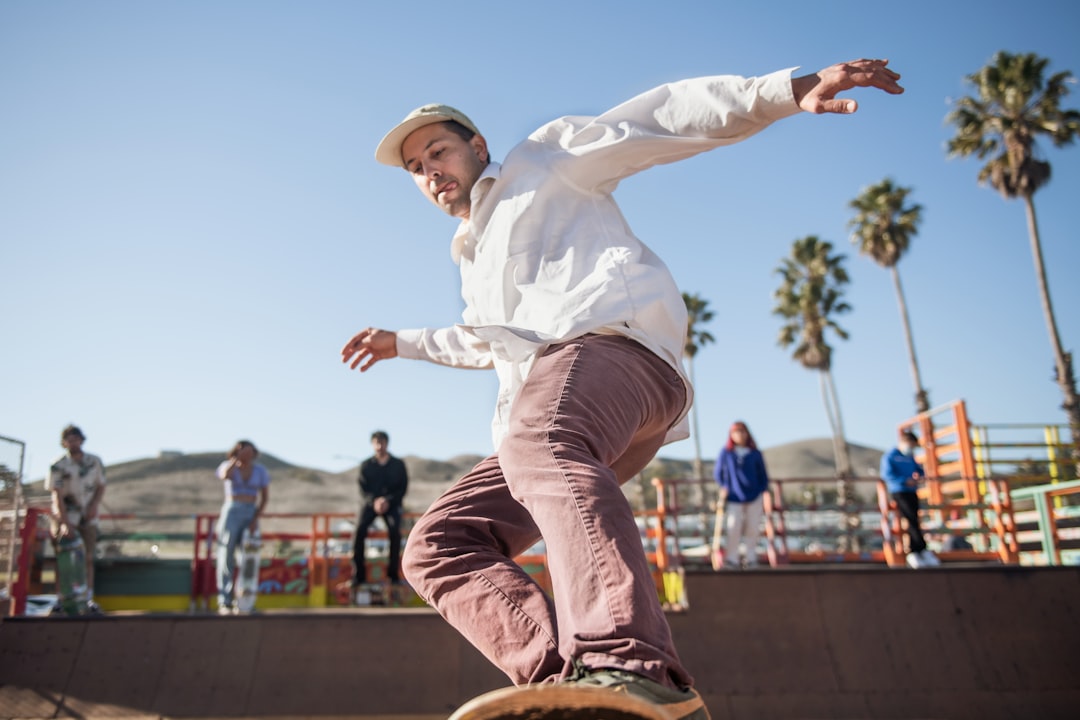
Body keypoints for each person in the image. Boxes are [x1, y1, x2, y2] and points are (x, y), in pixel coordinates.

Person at [342, 58, 904, 718]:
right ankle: (574, 691)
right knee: (438, 545)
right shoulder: (470, 253)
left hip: (616, 355)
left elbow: (652, 119)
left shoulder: (540, 162)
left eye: (438, 151)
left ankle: (628, 664)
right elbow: (484, 340)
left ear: (478, 147)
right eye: (417, 169)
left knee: (541, 438)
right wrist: (400, 342)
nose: (431, 171)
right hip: (568, 416)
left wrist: (779, 93)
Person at [45, 424, 106, 612]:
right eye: (69, 440)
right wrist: (64, 522)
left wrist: (94, 507)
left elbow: (101, 486)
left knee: (88, 557)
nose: (74, 443)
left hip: (87, 516)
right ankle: (61, 599)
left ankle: (88, 598)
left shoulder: (93, 462)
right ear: (64, 443)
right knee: (63, 558)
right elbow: (57, 494)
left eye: (76, 439)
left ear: (81, 440)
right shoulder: (59, 465)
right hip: (66, 515)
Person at [350, 430, 409, 600]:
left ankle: (393, 575)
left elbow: (402, 488)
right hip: (370, 505)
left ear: (387, 444)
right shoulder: (366, 465)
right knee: (359, 531)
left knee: (395, 532)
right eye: (376, 442)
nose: (379, 446)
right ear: (372, 444)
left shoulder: (398, 464)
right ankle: (358, 575)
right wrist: (374, 501)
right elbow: (363, 489)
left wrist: (387, 501)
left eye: (382, 442)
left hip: (392, 505)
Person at [214, 439, 270, 614]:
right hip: (232, 510)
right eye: (244, 451)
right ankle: (225, 600)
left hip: (250, 512)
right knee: (226, 554)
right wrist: (235, 459)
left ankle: (245, 601)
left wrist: (255, 519)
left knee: (249, 557)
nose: (248, 455)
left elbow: (265, 497)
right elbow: (224, 475)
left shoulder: (260, 471)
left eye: (250, 452)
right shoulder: (229, 466)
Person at [714, 421, 770, 569]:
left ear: (747, 434)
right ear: (731, 435)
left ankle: (750, 558)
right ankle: (732, 558)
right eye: (736, 432)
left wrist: (761, 490)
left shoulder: (755, 453)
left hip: (754, 497)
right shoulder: (726, 453)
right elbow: (718, 474)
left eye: (742, 431)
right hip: (734, 497)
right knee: (733, 527)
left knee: (753, 527)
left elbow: (763, 475)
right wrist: (725, 487)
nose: (739, 435)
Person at [880, 429, 939, 568]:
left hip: (912, 491)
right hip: (899, 491)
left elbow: (919, 470)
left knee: (915, 519)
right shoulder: (890, 456)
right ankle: (916, 550)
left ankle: (920, 550)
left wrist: (919, 476)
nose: (911, 448)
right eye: (911, 445)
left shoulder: (910, 457)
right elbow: (888, 475)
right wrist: (904, 481)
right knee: (911, 519)